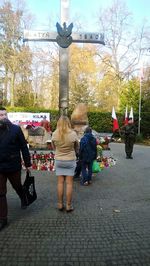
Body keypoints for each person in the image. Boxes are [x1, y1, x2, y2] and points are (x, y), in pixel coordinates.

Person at [0, 106, 32, 231]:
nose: (3, 117)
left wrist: (28, 164)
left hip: (13, 165)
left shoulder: (15, 129)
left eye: (5, 114)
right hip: (0, 167)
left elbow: (24, 147)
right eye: (1, 115)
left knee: (17, 186)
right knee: (1, 192)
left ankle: (23, 197)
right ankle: (3, 218)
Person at [51, 115, 79, 212]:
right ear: (68, 123)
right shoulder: (73, 133)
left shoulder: (55, 134)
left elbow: (53, 147)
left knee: (60, 183)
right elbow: (77, 147)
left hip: (59, 160)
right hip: (70, 160)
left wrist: (59, 151)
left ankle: (59, 204)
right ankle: (68, 205)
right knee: (69, 184)